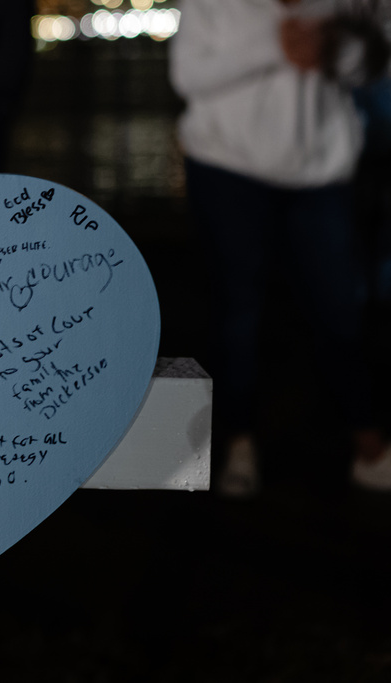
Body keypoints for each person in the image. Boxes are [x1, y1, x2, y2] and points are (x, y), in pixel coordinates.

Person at [170, 0, 391, 495]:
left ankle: (369, 447)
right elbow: (187, 77)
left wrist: (334, 49)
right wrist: (275, 45)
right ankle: (239, 445)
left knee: (340, 307)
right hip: (225, 166)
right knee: (238, 311)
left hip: (321, 172)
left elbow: (372, 65)